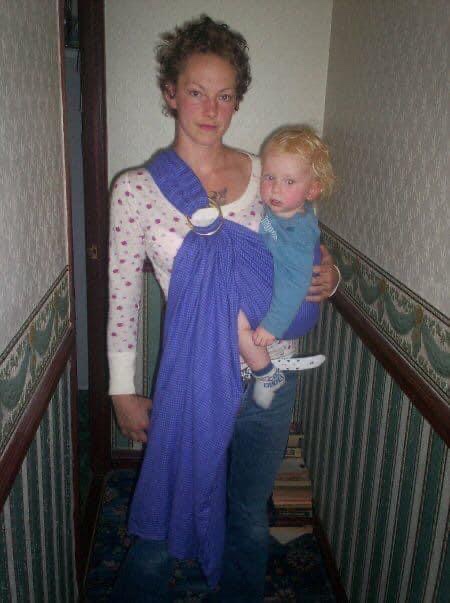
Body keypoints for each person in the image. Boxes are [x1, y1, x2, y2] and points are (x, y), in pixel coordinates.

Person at [108, 15, 340, 602]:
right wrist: (122, 390)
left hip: (273, 374)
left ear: (237, 101)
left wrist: (331, 276)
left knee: (248, 512)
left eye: (226, 95)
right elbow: (122, 296)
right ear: (170, 93)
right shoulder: (136, 190)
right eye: (196, 92)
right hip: (193, 378)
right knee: (168, 508)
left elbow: (303, 247)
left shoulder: (267, 175)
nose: (211, 109)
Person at [238, 125, 336, 409]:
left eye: (289, 181)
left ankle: (266, 374)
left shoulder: (296, 232)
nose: (275, 188)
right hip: (289, 309)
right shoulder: (282, 214)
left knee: (229, 309)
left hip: (291, 314)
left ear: (312, 190)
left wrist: (273, 325)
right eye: (269, 177)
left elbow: (294, 282)